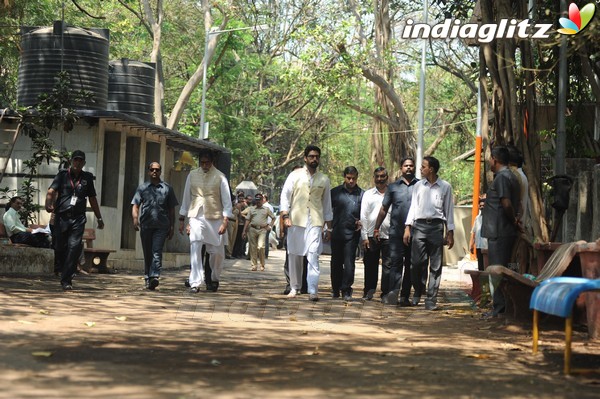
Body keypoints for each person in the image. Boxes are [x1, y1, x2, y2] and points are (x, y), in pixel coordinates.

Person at [279, 145, 333, 301]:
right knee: (295, 254)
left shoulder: (324, 179)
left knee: (313, 254)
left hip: (316, 222)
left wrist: (329, 228)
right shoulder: (294, 175)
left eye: (317, 156)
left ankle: (312, 290)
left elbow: (327, 204)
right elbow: (285, 196)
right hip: (296, 220)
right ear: (305, 158)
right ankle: (294, 287)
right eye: (311, 156)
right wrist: (285, 216)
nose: (314, 159)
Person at [45, 150, 105, 290]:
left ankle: (66, 280)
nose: (78, 163)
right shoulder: (62, 175)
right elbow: (51, 191)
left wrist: (99, 217)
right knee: (59, 247)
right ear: (71, 161)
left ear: (84, 163)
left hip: (78, 218)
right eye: (75, 160)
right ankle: (63, 269)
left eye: (80, 160)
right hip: (62, 217)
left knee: (74, 248)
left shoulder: (87, 178)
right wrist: (48, 203)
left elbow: (92, 199)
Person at [403, 156, 454, 311]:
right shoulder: (418, 186)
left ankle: (431, 299)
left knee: (436, 266)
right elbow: (413, 207)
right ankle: (418, 290)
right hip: (419, 226)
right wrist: (407, 227)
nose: (420, 169)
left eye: (423, 166)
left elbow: (449, 211)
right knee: (416, 263)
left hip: (437, 227)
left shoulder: (445, 187)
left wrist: (450, 232)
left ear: (431, 169)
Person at [179, 150, 233, 293]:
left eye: (207, 162)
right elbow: (186, 197)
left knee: (216, 252)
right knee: (195, 245)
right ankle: (195, 281)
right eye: (202, 162)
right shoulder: (192, 175)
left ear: (212, 161)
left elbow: (227, 201)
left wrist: (225, 221)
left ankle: (214, 278)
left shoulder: (221, 177)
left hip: (215, 218)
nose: (204, 165)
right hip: (196, 216)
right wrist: (182, 219)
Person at [481, 146, 521, 317]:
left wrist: (513, 220)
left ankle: (499, 308)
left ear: (495, 160)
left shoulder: (502, 178)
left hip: (499, 231)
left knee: (497, 271)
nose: (490, 162)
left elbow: (506, 203)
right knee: (503, 269)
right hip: (502, 230)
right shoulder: (512, 176)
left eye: (490, 159)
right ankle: (503, 306)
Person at [374, 157, 418, 306]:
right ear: (401, 168)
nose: (409, 168)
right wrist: (376, 227)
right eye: (406, 166)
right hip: (396, 233)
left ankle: (405, 296)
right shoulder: (392, 187)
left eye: (411, 166)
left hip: (415, 233)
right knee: (395, 264)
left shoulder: (420, 186)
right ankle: (393, 293)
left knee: (411, 265)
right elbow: (384, 209)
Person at [131, 162, 179, 290]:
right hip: (146, 225)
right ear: (148, 171)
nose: (154, 172)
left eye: (157, 170)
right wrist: (135, 219)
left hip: (162, 226)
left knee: (156, 251)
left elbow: (171, 210)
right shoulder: (142, 188)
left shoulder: (167, 188)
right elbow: (135, 205)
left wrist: (172, 227)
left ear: (160, 172)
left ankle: (154, 276)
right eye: (152, 169)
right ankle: (148, 277)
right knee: (148, 252)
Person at [330, 166, 363, 300]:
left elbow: (364, 213)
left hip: (353, 235)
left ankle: (346, 289)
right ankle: (335, 289)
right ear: (344, 177)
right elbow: (327, 211)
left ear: (357, 178)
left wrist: (361, 222)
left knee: (349, 263)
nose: (351, 181)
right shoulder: (335, 192)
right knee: (336, 263)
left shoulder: (362, 194)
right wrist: (327, 228)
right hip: (337, 232)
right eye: (348, 178)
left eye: (353, 178)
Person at [360, 167, 391, 300]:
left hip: (389, 235)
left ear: (387, 177)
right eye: (377, 176)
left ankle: (386, 293)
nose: (380, 179)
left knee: (388, 266)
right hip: (372, 236)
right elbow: (364, 216)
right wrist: (365, 236)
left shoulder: (393, 193)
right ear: (374, 178)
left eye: (382, 176)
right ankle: (369, 291)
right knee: (370, 265)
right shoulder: (368, 194)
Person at [242, 193, 276, 271]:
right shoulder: (251, 209)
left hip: (262, 230)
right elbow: (247, 220)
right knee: (253, 247)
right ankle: (254, 265)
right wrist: (244, 231)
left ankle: (262, 264)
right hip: (252, 229)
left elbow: (273, 218)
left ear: (262, 200)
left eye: (259, 200)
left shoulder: (266, 209)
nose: (258, 201)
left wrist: (270, 226)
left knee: (261, 246)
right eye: (256, 200)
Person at [262, 194, 275, 259]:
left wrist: (269, 225)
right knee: (265, 240)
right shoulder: (270, 206)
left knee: (264, 240)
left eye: (263, 198)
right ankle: (265, 254)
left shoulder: (266, 206)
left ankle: (264, 254)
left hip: (266, 225)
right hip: (268, 225)